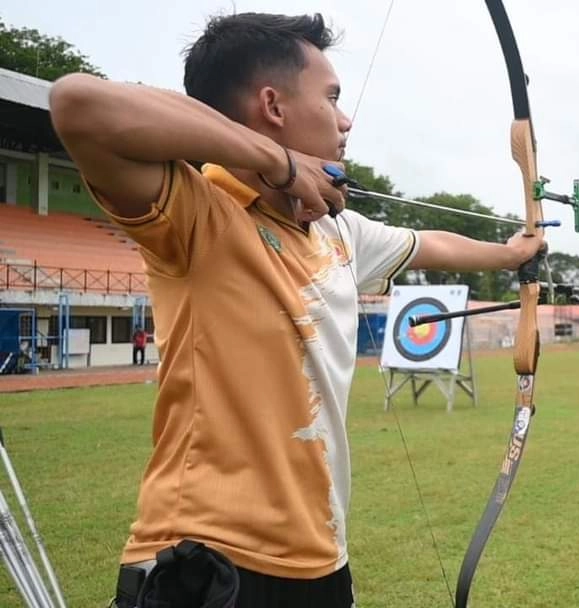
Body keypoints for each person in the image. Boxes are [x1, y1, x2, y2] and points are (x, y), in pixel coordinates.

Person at [48, 12, 544, 608]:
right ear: (272, 105)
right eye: (331, 98)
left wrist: (513, 253)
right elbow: (77, 103)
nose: (345, 119)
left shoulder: (336, 230)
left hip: (320, 558)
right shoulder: (198, 212)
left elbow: (429, 243)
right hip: (209, 561)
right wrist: (280, 163)